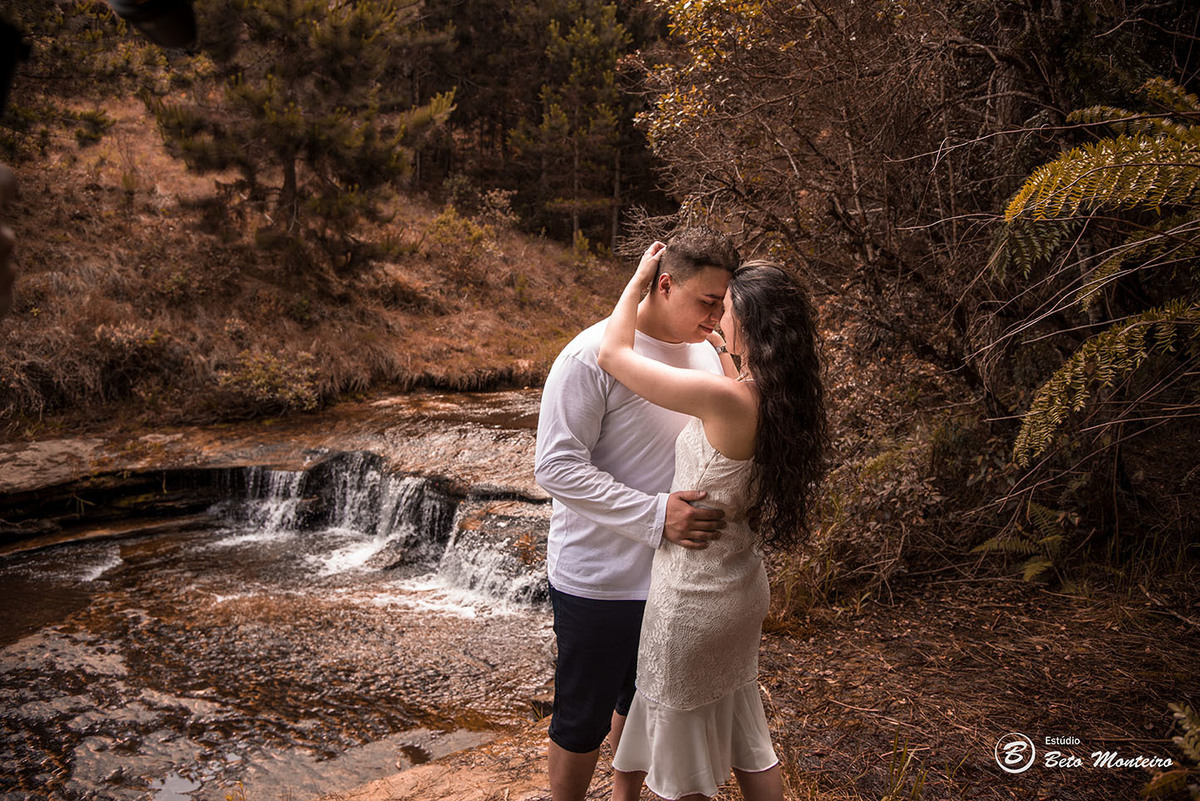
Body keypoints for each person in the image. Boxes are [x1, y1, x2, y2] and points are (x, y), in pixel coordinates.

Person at [597, 243, 827, 801]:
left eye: (725, 310)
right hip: (740, 585)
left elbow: (612, 356)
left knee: (682, 767)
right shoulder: (781, 400)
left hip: (692, 596)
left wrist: (637, 284)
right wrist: (726, 347)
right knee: (746, 733)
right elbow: (735, 387)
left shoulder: (723, 401)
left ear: (747, 325)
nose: (715, 315)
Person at [534, 228, 741, 801]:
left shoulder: (707, 354)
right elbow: (554, 467)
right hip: (599, 579)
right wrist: (656, 516)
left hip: (678, 579)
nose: (716, 314)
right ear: (665, 283)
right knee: (583, 716)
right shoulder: (589, 354)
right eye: (706, 301)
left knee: (643, 702)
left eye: (723, 303)